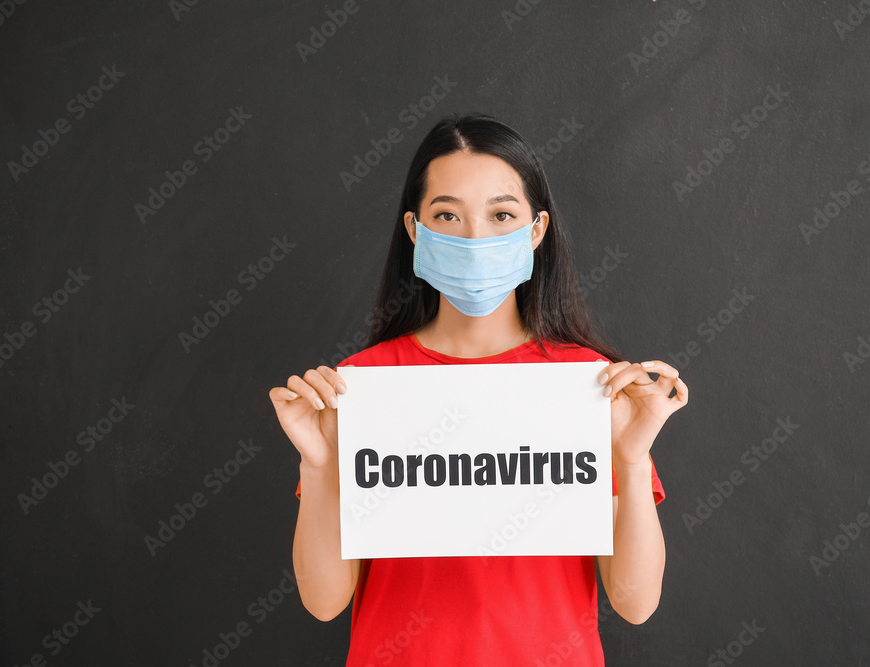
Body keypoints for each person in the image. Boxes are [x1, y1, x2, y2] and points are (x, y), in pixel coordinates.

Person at [269, 111, 688, 665]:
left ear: (536, 231)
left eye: (501, 215)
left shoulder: (588, 386)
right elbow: (325, 602)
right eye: (447, 214)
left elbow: (635, 604)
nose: (475, 237)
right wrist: (320, 467)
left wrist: (632, 460)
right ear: (415, 230)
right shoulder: (361, 388)